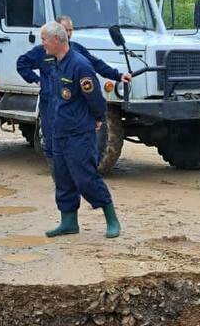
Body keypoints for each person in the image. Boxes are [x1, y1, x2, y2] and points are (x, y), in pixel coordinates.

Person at [39, 21, 121, 238]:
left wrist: (97, 118)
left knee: (85, 178)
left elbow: (95, 98)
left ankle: (111, 218)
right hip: (59, 132)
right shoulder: (55, 63)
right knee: (62, 178)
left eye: (44, 39)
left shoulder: (79, 65)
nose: (42, 44)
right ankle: (68, 222)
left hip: (78, 132)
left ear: (57, 40)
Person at [16, 14, 129, 160]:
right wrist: (36, 80)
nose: (68, 33)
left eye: (71, 30)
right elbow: (21, 64)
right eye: (65, 29)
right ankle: (58, 175)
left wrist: (118, 75)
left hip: (68, 106)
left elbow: (97, 64)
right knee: (52, 146)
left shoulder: (77, 51)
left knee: (73, 147)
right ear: (56, 31)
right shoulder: (43, 51)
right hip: (49, 104)